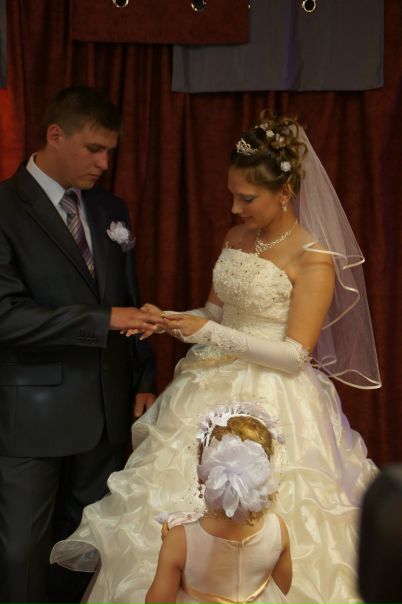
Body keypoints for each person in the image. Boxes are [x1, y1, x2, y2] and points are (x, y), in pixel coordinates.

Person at [51, 110, 381, 603]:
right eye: (232, 195)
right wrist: (167, 318)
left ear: (285, 192)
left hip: (277, 398)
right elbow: (213, 312)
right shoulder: (236, 238)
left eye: (246, 198)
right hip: (207, 386)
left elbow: (295, 355)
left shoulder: (313, 257)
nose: (234, 208)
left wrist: (210, 333)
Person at [0, 85, 162, 604]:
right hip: (33, 412)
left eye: (110, 151)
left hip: (107, 410)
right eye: (94, 149)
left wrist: (142, 376)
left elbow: (128, 297)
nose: (104, 163)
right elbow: (6, 316)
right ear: (55, 135)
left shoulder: (111, 207)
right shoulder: (5, 207)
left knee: (89, 547)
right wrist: (101, 320)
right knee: (22, 552)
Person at [145, 402, 292, 604]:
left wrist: (172, 548)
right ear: (263, 474)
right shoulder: (278, 528)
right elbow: (283, 586)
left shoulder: (179, 539)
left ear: (203, 475)